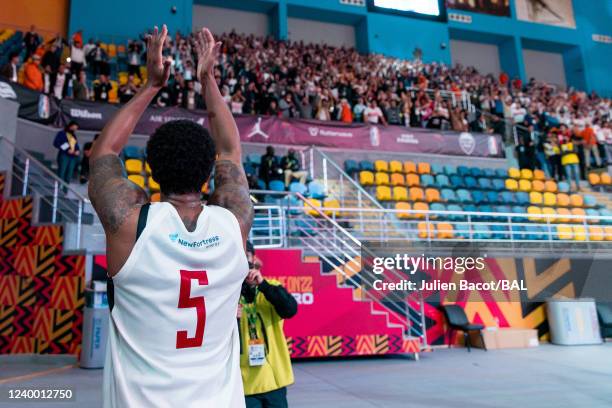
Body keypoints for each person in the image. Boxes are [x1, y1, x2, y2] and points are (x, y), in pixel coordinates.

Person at [90, 26, 253, 408]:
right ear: (208, 173)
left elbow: (103, 154)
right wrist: (207, 78)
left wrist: (150, 86)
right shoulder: (234, 222)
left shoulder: (130, 223)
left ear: (151, 171)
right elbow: (231, 151)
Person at [239, 242, 297, 408]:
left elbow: (290, 310)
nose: (243, 261)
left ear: (254, 258)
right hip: (243, 384)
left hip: (274, 381)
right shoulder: (227, 295)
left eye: (246, 255)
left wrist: (263, 285)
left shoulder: (271, 287)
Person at [53, 121, 80, 186]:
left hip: (72, 157)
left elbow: (75, 145)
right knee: (61, 172)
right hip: (64, 155)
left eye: (76, 128)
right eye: (74, 128)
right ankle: (58, 189)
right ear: (70, 126)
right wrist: (66, 150)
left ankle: (65, 191)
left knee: (69, 174)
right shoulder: (62, 133)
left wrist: (77, 150)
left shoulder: (73, 136)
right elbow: (56, 143)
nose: (75, 129)